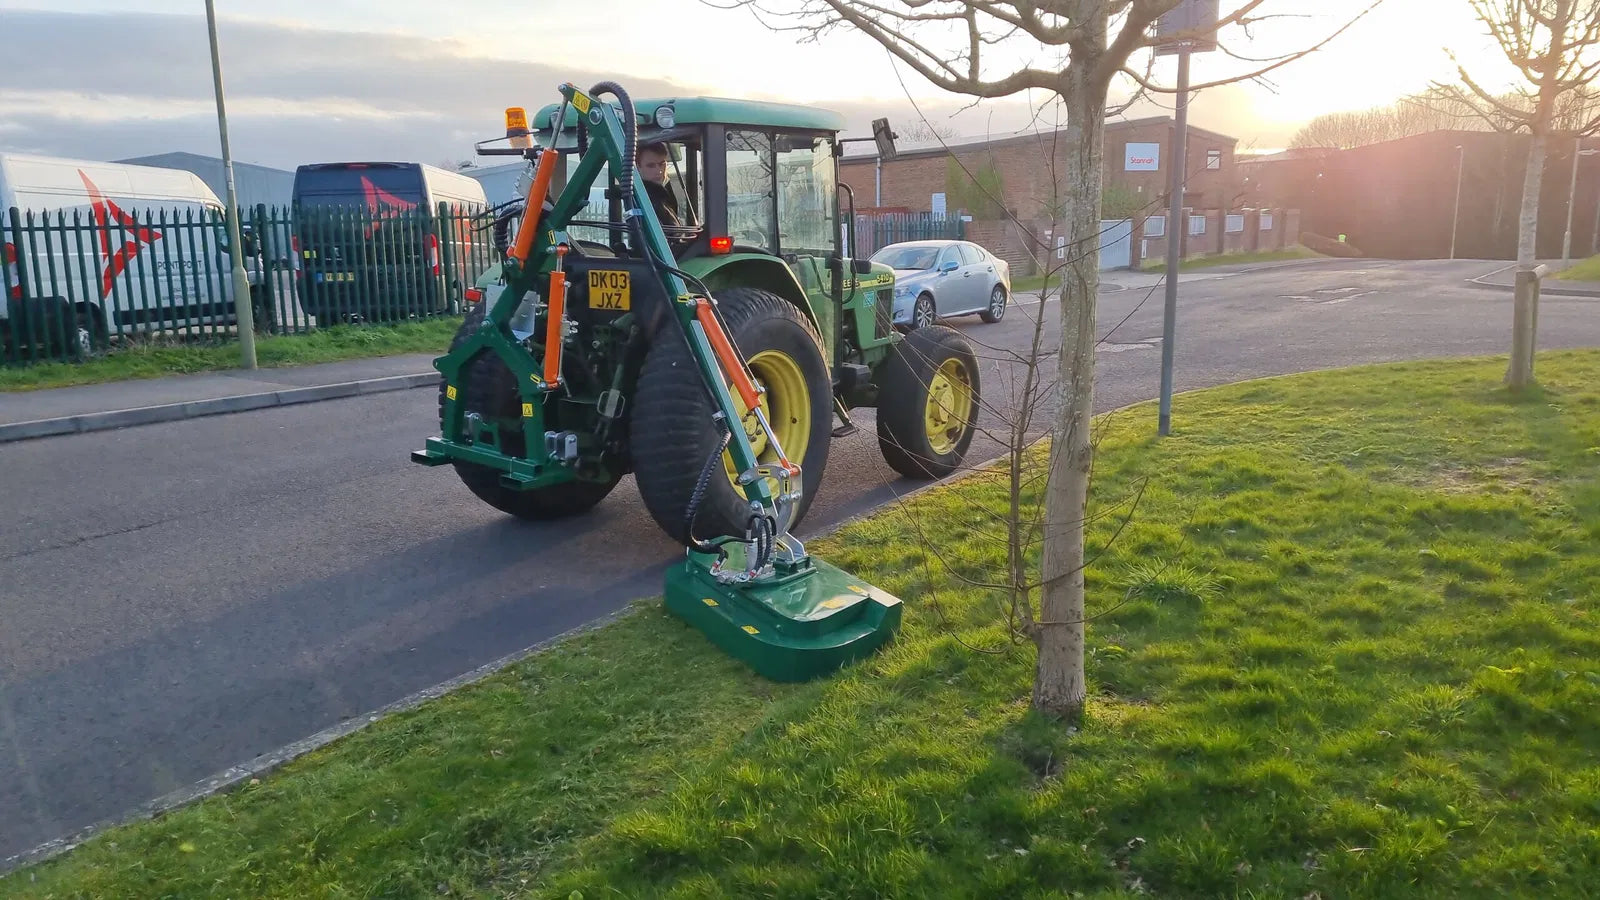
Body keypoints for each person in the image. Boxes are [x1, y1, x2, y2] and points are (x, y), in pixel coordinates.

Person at [635, 142, 682, 228]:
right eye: (651, 166)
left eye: (662, 164)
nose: (659, 171)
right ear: (638, 167)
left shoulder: (662, 195)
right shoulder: (647, 199)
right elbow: (675, 236)